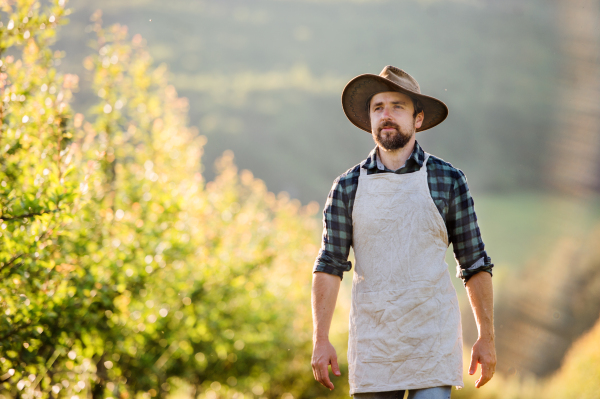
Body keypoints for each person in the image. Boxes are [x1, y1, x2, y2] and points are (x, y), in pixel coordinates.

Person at [311, 66, 496, 399]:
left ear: (418, 118)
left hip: (433, 336)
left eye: (397, 106)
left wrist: (486, 336)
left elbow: (475, 263)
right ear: (370, 119)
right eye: (378, 107)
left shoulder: (449, 180)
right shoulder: (347, 187)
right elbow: (329, 265)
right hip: (374, 342)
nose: (386, 115)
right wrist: (320, 340)